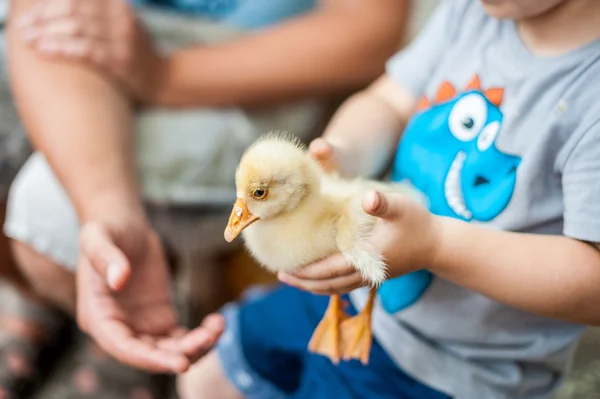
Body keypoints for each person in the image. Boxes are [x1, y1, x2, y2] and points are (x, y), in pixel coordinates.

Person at [178, 0, 600, 398]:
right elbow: (389, 99)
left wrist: (436, 245)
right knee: (208, 375)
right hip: (355, 289)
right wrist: (341, 151)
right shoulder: (472, 12)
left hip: (446, 363)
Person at [0, 0, 410, 397]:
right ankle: (44, 302)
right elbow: (43, 16)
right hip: (115, 38)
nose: (241, 214)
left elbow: (371, 28)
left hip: (259, 61)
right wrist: (107, 210)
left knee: (46, 216)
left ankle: (114, 345)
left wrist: (163, 75)